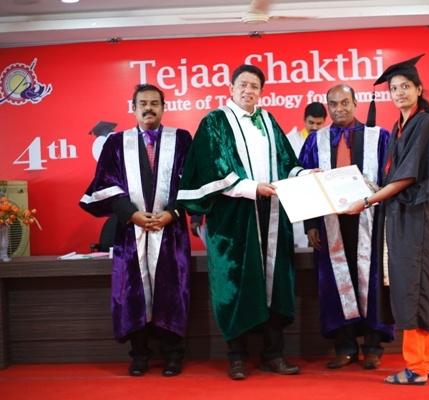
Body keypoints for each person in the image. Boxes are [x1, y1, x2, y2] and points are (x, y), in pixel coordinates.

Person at [177, 64, 306, 380]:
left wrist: (303, 174)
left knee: (275, 282)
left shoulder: (268, 120)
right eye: (243, 85)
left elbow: (286, 160)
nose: (249, 90)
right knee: (235, 283)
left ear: (261, 92)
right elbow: (214, 166)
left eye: (255, 86)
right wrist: (251, 187)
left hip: (271, 214)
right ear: (231, 88)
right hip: (233, 218)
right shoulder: (215, 121)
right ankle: (236, 356)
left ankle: (273, 354)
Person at [345, 54, 429, 385]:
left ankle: (416, 368)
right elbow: (397, 175)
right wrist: (372, 189)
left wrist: (367, 200)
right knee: (419, 286)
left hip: (419, 222)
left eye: (406, 86)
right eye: (394, 88)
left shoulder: (423, 124)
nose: (399, 92)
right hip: (409, 219)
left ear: (419, 89)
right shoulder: (402, 125)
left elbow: (407, 177)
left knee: (412, 288)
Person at [80, 84, 192, 377]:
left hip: (171, 232)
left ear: (164, 107)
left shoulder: (181, 140)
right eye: (143, 103)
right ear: (133, 108)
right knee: (133, 292)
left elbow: (191, 182)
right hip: (131, 232)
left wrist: (172, 213)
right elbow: (105, 184)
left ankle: (173, 355)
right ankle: (139, 355)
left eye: (155, 103)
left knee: (171, 290)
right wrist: (132, 214)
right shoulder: (117, 143)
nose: (149, 108)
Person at [299, 84, 393, 371]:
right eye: (333, 104)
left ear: (355, 103)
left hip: (371, 222)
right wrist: (310, 225)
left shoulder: (379, 137)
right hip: (331, 224)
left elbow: (392, 179)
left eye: (344, 102)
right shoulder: (316, 140)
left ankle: (373, 347)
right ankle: (345, 346)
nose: (339, 109)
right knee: (337, 283)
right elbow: (304, 182)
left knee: (372, 282)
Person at [286, 102, 328, 248]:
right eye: (311, 122)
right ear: (304, 120)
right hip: (296, 205)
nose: (314, 127)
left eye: (319, 123)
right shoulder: (290, 141)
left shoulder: (328, 142)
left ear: (325, 122)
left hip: (321, 206)